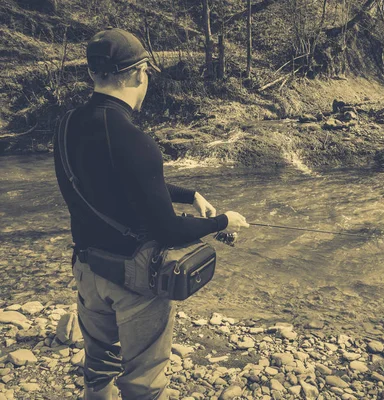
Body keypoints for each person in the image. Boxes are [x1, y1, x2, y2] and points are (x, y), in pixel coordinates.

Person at [53, 28, 249, 400]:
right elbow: (169, 230)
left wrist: (190, 194)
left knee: (98, 367)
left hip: (87, 269)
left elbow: (111, 182)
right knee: (144, 380)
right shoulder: (136, 140)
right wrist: (224, 221)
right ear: (139, 73)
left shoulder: (65, 126)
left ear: (94, 73)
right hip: (132, 280)